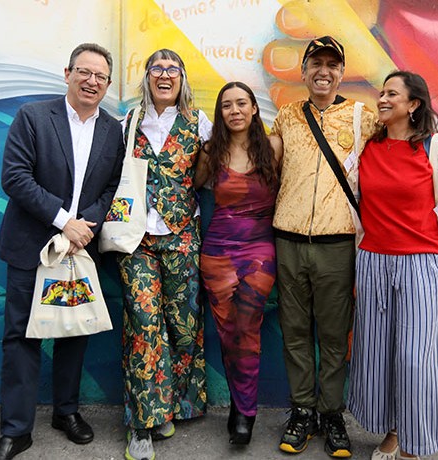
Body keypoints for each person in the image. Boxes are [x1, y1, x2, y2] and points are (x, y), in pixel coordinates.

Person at [0, 43, 125, 460]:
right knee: (19, 337)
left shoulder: (113, 130)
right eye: (84, 72)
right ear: (67, 73)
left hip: (80, 250)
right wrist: (64, 220)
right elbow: (14, 177)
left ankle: (66, 412)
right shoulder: (32, 117)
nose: (91, 81)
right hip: (32, 246)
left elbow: (112, 187)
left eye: (100, 76)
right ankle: (16, 430)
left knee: (75, 331)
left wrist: (85, 226)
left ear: (108, 84)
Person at [270, 36, 380, 458]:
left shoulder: (361, 118)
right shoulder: (285, 116)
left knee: (334, 336)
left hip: (338, 243)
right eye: (316, 62)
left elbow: (410, 138)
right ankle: (302, 411)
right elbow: (257, 157)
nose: (324, 71)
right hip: (289, 239)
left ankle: (332, 413)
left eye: (333, 64)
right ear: (303, 70)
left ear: (341, 72)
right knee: (295, 333)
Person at [348, 70, 438, 460]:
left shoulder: (436, 147)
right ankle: (395, 431)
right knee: (379, 354)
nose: (382, 99)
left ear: (413, 104)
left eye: (392, 94)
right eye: (381, 93)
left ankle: (416, 442)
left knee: (417, 357)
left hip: (421, 263)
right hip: (373, 262)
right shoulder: (367, 145)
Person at [118, 48, 212, 460]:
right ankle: (143, 424)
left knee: (184, 325)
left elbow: (227, 162)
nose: (165, 74)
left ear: (182, 79)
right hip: (135, 239)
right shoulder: (128, 120)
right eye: (158, 67)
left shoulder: (199, 122)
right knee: (143, 324)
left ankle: (175, 404)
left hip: (182, 237)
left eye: (173, 69)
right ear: (147, 77)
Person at [194, 81, 283, 445]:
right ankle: (238, 404)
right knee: (228, 331)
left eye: (242, 103)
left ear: (254, 109)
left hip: (260, 251)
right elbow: (191, 186)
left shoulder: (274, 146)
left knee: (246, 326)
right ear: (220, 113)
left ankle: (246, 412)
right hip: (217, 252)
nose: (235, 111)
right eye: (227, 105)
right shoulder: (211, 151)